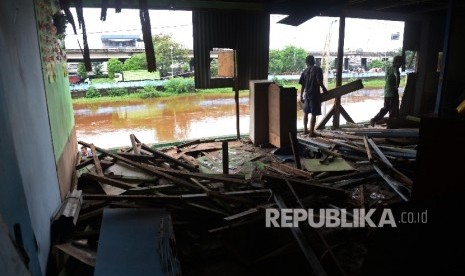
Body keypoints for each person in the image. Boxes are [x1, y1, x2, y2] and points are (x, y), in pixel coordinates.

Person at [370, 55, 403, 127]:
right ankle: (392, 126)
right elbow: (397, 76)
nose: (400, 65)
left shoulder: (388, 68)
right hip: (392, 92)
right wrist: (397, 86)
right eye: (400, 63)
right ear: (398, 63)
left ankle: (374, 120)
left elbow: (386, 79)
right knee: (394, 109)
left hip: (387, 91)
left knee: (386, 108)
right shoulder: (395, 69)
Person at [299, 55, 328, 137]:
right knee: (314, 114)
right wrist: (325, 90)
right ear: (314, 61)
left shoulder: (304, 71)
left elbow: (302, 85)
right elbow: (319, 81)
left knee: (306, 113)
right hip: (314, 95)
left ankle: (305, 130)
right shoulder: (318, 70)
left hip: (306, 95)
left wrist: (301, 96)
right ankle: (311, 132)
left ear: (306, 62)